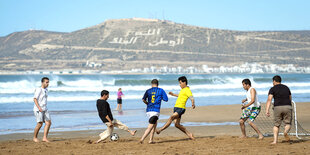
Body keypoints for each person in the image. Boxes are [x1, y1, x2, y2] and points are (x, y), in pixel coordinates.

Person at [139, 79, 168, 144]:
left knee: (154, 124)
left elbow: (143, 99)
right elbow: (166, 99)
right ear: (158, 84)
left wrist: (147, 103)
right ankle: (142, 139)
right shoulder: (160, 90)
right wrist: (159, 98)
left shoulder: (148, 91)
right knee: (150, 126)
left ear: (151, 84)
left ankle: (151, 140)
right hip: (155, 110)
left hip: (148, 111)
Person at [266, 75, 292, 144]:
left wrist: (267, 110)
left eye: (273, 81)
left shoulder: (273, 88)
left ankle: (275, 141)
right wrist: (289, 106)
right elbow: (290, 98)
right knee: (288, 123)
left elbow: (269, 99)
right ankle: (285, 132)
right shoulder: (286, 87)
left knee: (276, 125)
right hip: (287, 106)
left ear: (274, 81)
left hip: (277, 107)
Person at [33, 77, 51, 142]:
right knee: (39, 124)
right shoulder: (39, 89)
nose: (48, 83)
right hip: (38, 109)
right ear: (42, 82)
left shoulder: (46, 90)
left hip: (45, 109)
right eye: (46, 82)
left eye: (48, 82)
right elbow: (35, 99)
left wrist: (44, 108)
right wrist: (39, 107)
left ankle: (44, 138)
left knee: (48, 123)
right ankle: (35, 137)